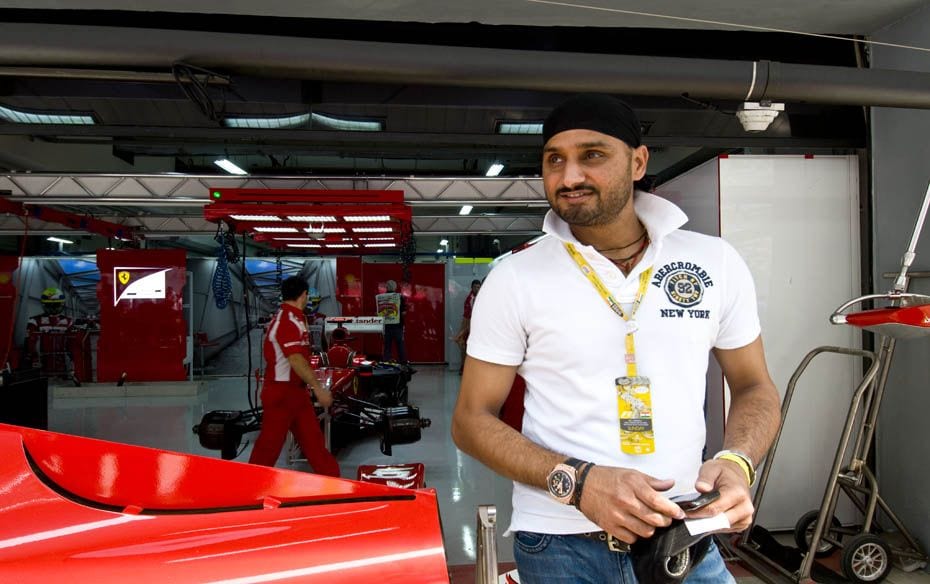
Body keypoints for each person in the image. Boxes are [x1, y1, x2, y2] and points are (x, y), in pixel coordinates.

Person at [451, 93, 781, 583]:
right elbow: (470, 420)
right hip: (560, 540)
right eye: (554, 160)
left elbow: (755, 386)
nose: (569, 177)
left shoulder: (714, 263)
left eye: (593, 155)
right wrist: (577, 483)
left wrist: (736, 462)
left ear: (638, 162)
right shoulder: (515, 277)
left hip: (684, 531)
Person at [249, 276, 340, 477]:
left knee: (314, 442)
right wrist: (318, 388)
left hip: (296, 394)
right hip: (281, 394)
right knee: (269, 447)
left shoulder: (295, 317)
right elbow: (296, 359)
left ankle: (334, 482)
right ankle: (250, 487)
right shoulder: (288, 321)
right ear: (304, 295)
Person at [24, 287, 74, 374]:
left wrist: (72, 357)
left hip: (63, 364)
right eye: (50, 306)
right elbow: (30, 343)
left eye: (56, 305)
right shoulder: (34, 321)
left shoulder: (68, 322)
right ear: (44, 305)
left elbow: (72, 343)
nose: (53, 309)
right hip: (41, 364)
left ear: (62, 305)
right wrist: (32, 356)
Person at [452, 279, 482, 373]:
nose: (477, 289)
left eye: (478, 287)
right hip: (469, 325)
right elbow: (466, 315)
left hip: (478, 327)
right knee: (464, 346)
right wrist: (464, 329)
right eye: (475, 287)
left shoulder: (482, 298)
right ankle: (463, 366)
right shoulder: (469, 299)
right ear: (472, 288)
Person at [376, 279, 407, 363]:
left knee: (387, 346)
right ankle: (403, 363)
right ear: (395, 287)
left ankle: (386, 362)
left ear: (386, 287)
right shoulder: (400, 297)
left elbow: (378, 313)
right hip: (398, 325)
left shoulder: (380, 297)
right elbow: (404, 312)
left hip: (386, 326)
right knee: (400, 345)